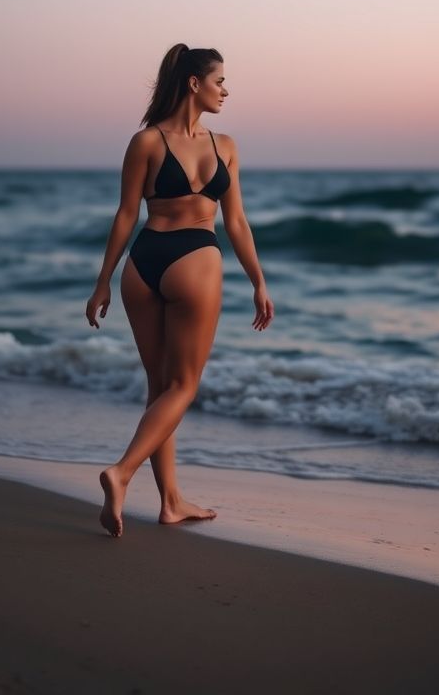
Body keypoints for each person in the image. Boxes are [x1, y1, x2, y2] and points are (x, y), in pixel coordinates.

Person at [85, 43, 274, 538]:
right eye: (220, 82)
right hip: (194, 260)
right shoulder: (223, 146)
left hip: (142, 265)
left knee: (159, 389)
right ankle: (121, 472)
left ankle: (170, 502)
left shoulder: (145, 141)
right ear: (195, 83)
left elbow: (127, 215)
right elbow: (235, 222)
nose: (225, 91)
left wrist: (104, 280)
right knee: (183, 386)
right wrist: (259, 281)